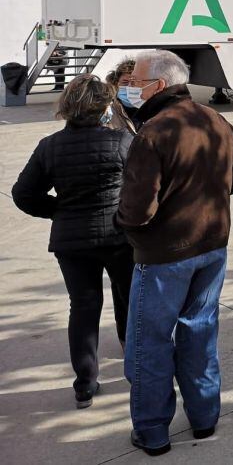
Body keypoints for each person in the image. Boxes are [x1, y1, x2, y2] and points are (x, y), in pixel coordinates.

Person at [115, 50, 233, 456]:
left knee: (150, 343)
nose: (129, 87)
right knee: (199, 332)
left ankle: (153, 429)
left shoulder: (153, 132)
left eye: (136, 81)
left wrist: (128, 225)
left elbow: (137, 210)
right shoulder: (215, 119)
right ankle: (204, 417)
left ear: (159, 85)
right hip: (211, 245)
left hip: (164, 255)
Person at [11, 75, 134, 410]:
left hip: (72, 240)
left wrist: (60, 212)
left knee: (82, 307)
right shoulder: (123, 141)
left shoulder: (49, 146)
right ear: (104, 107)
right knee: (128, 299)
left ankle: (84, 383)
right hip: (118, 236)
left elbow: (24, 194)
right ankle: (134, 365)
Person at [105, 58, 138, 133]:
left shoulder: (152, 111)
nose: (130, 86)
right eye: (125, 82)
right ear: (116, 84)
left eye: (134, 82)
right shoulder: (108, 113)